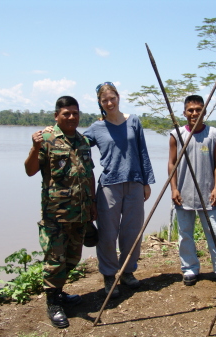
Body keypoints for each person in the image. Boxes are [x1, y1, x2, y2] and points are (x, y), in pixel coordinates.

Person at [24, 96, 96, 329]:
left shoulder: (83, 140)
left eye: (75, 113)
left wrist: (92, 204)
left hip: (81, 213)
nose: (72, 117)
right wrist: (35, 148)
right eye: (66, 113)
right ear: (56, 116)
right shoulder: (45, 139)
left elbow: (89, 174)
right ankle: (53, 303)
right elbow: (30, 170)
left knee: (73, 258)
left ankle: (59, 292)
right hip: (56, 214)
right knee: (55, 260)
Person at [83, 82, 155, 298]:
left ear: (118, 97)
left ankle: (127, 272)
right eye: (104, 100)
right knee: (107, 234)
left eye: (112, 98)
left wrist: (146, 181)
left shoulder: (133, 121)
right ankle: (108, 275)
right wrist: (54, 132)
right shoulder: (96, 128)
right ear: (100, 103)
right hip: (109, 186)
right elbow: (78, 144)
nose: (109, 103)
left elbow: (142, 151)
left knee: (132, 233)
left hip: (134, 183)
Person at [168, 95, 216, 287]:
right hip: (184, 193)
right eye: (191, 110)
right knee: (185, 233)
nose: (194, 113)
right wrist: (174, 188)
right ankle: (189, 269)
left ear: (204, 111)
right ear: (184, 112)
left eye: (198, 109)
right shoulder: (176, 134)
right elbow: (171, 163)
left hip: (208, 194)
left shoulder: (213, 134)